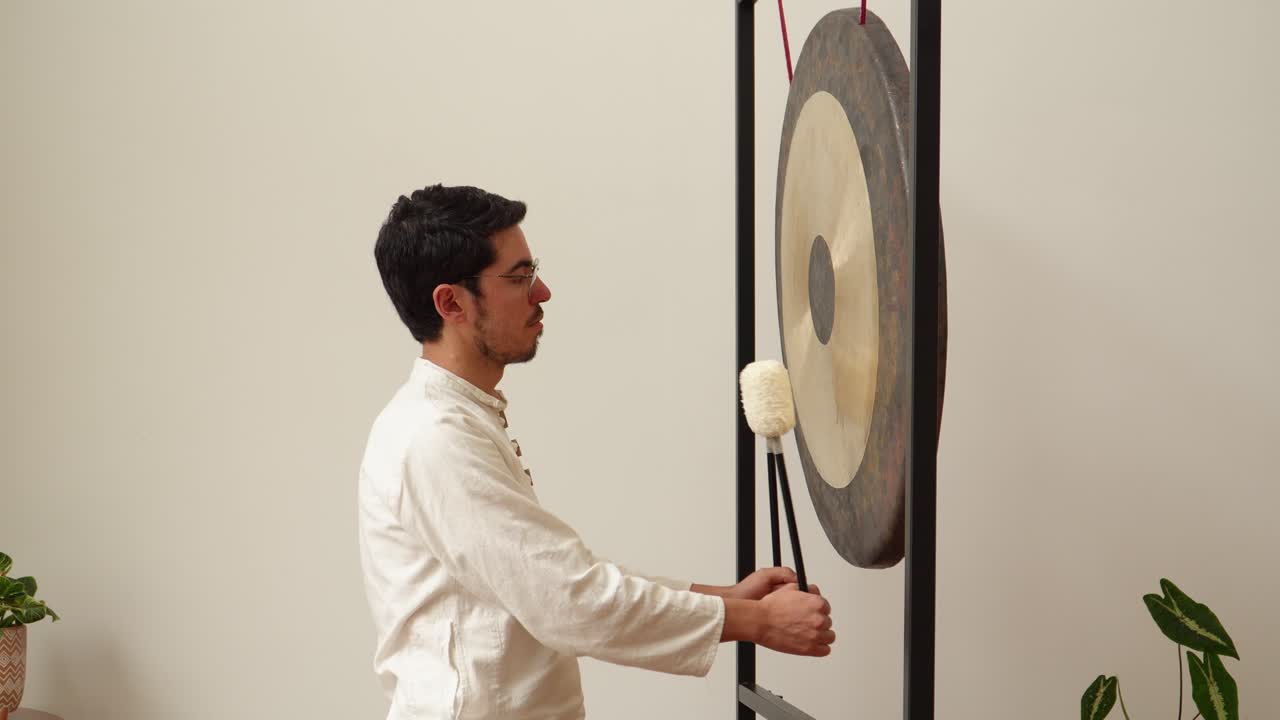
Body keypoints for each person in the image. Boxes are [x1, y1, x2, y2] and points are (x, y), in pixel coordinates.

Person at [357, 184, 835, 720]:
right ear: (451, 303)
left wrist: (732, 597)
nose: (543, 293)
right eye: (519, 278)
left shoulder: (455, 418)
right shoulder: (435, 437)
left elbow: (561, 572)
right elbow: (568, 598)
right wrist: (757, 623)